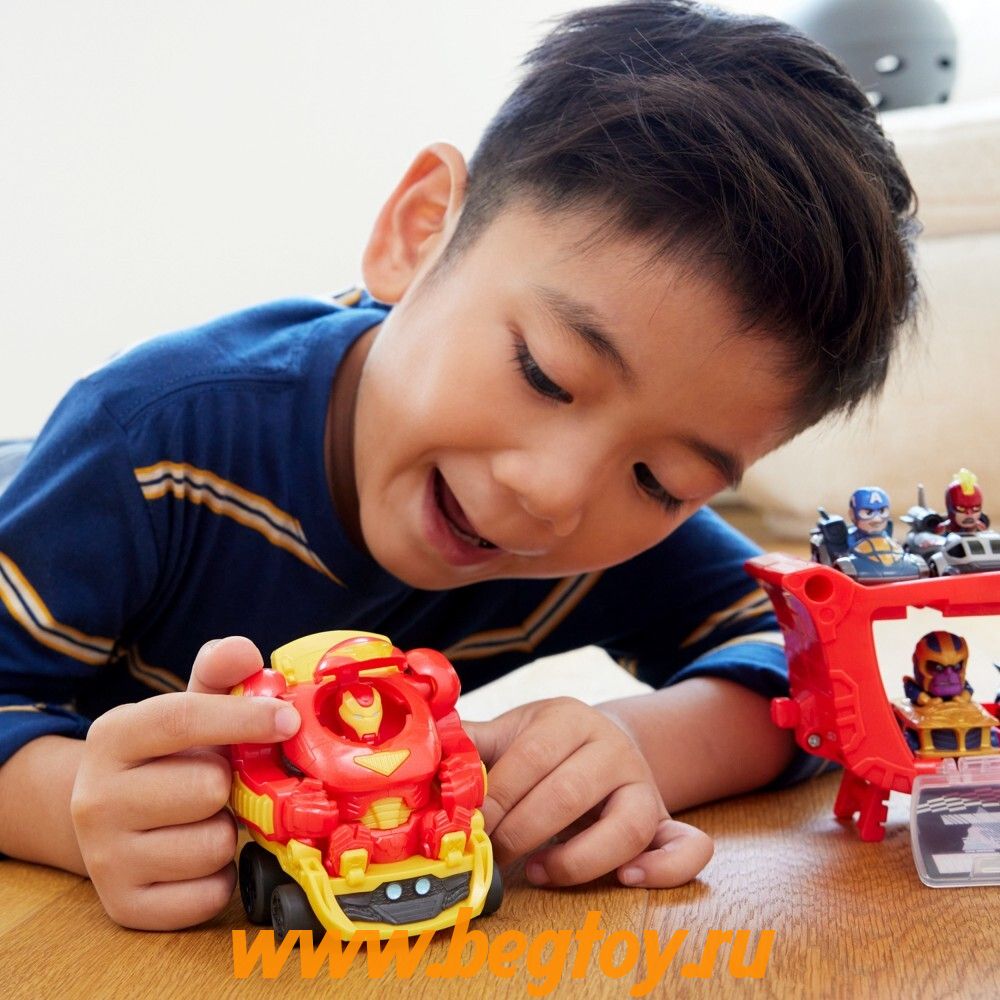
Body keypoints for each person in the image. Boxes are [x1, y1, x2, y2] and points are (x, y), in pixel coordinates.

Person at [0, 0, 919, 930]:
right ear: (422, 231)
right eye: (545, 375)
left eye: (662, 480)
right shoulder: (144, 446)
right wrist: (73, 809)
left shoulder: (611, 536)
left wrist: (625, 749)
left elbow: (825, 671)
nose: (554, 494)